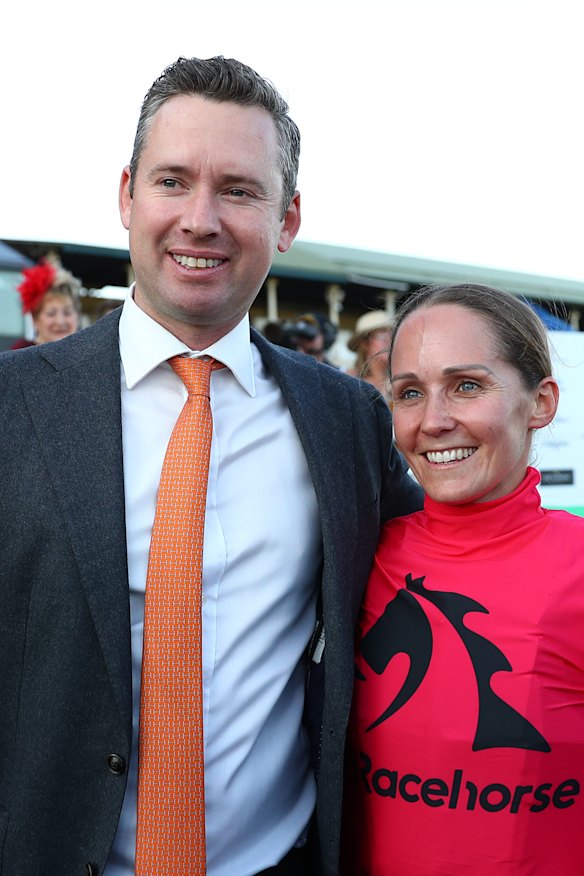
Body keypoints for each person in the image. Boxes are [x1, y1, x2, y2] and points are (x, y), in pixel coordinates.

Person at [0, 56, 422, 876]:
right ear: (127, 196)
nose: (201, 219)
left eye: (238, 189)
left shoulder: (347, 420)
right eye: (172, 181)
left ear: (287, 218)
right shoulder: (11, 406)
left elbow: (455, 557)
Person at [345, 283, 584, 875]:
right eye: (409, 394)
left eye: (468, 386)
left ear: (541, 403)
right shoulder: (356, 555)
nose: (435, 420)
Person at [10, 258, 81, 348]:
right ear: (35, 319)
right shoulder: (19, 356)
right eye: (51, 314)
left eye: (67, 313)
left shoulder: (88, 354)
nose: (60, 321)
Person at [347, 310, 393, 404]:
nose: (390, 342)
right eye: (383, 337)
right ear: (365, 344)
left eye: (393, 336)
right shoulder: (351, 382)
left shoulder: (403, 379)